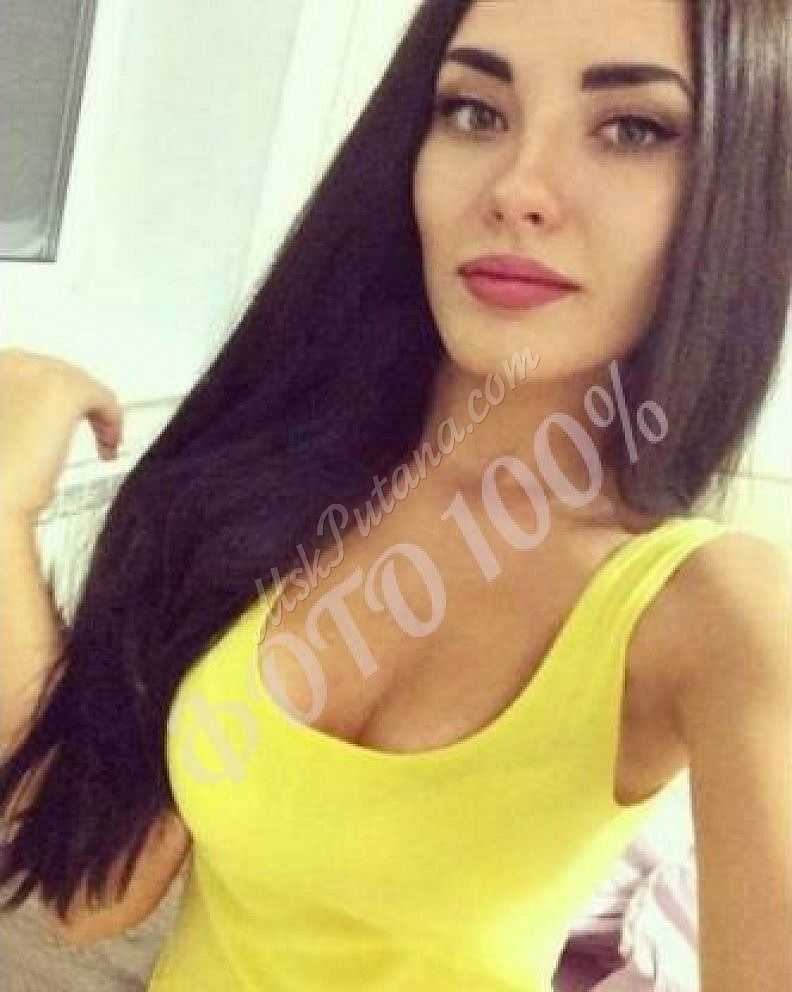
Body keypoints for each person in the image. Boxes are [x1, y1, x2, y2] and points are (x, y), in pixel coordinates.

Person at [1, 1, 790, 990]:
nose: (518, 188)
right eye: (475, 111)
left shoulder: (717, 614)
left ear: (736, 189)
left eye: (633, 128)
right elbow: (98, 891)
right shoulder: (271, 478)